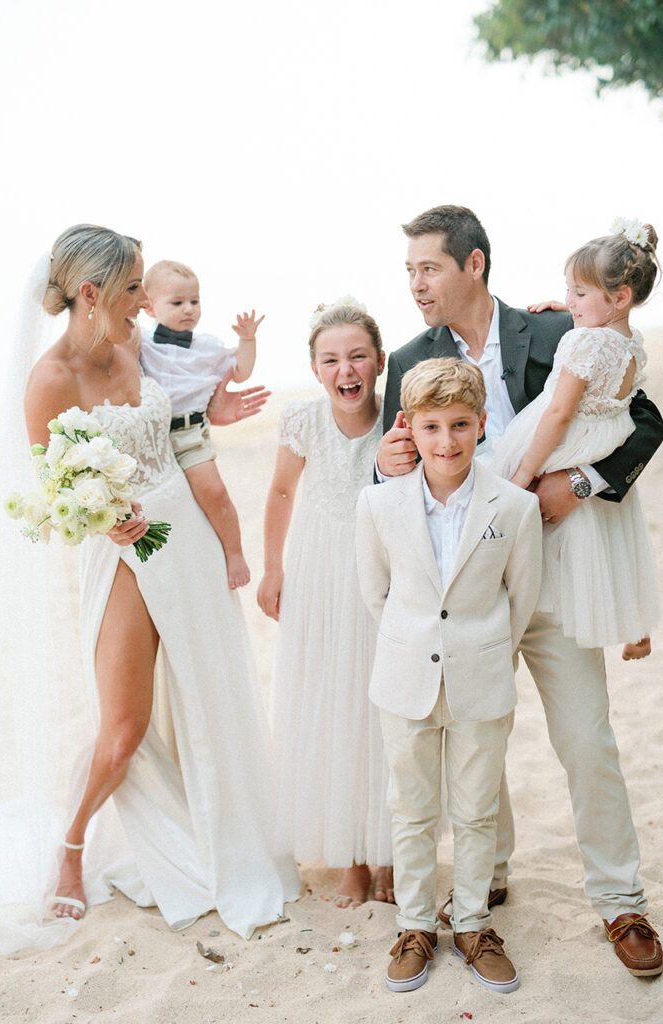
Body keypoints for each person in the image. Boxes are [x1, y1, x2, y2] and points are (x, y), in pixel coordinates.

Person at [0, 224, 298, 956]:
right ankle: (70, 847)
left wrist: (215, 413)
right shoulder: (48, 381)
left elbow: (178, 425)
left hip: (187, 535)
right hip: (125, 554)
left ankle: (223, 835)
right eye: (134, 286)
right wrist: (108, 523)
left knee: (211, 690)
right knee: (125, 726)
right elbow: (54, 495)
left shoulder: (138, 343)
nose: (146, 299)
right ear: (92, 293)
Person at [377, 205, 663, 977]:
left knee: (586, 736)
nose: (415, 285)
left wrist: (581, 482)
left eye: (428, 268)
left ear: (473, 265)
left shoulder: (556, 331)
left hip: (562, 567)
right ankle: (488, 876)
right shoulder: (407, 357)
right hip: (465, 588)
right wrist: (387, 461)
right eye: (408, 271)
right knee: (472, 736)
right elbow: (392, 471)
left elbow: (645, 423)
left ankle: (620, 899)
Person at [357, 358, 542, 993]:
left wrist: (480, 647)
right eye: (431, 427)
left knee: (475, 809)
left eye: (461, 425)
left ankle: (472, 923)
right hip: (405, 676)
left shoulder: (513, 506)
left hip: (481, 675)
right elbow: (376, 594)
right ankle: (414, 926)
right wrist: (419, 643)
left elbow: (521, 598)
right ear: (408, 425)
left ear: (482, 423)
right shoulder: (378, 503)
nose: (447, 442)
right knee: (409, 808)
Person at [257, 299, 393, 909]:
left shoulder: (399, 416)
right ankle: (352, 862)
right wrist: (272, 568)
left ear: (380, 361)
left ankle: (385, 851)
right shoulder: (303, 420)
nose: (346, 369)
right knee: (330, 702)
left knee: (378, 706)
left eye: (358, 355)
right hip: (317, 570)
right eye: (331, 359)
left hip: (380, 569)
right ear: (315, 369)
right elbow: (283, 490)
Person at [486, 221, 661, 656]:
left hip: (565, 440)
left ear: (619, 298)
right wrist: (575, 316)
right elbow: (606, 356)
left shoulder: (583, 343)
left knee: (517, 506)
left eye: (578, 294)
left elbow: (560, 411)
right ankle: (635, 625)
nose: (568, 301)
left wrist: (527, 469)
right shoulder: (632, 342)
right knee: (611, 538)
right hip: (604, 438)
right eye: (568, 291)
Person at [139, 259, 264, 589]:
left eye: (194, 301)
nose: (188, 309)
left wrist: (248, 339)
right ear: (149, 308)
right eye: (177, 303)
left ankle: (234, 552)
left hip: (191, 435)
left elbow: (242, 370)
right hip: (151, 439)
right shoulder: (142, 343)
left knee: (214, 493)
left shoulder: (207, 346)